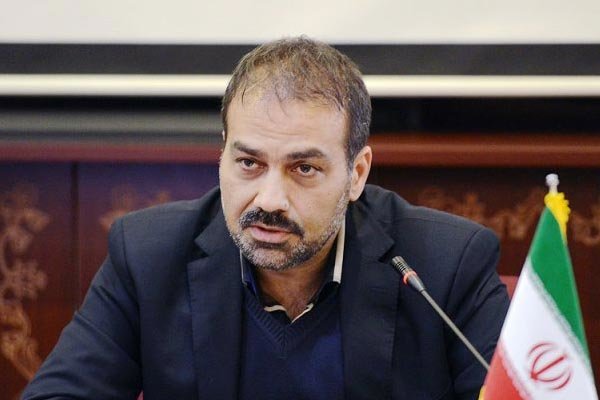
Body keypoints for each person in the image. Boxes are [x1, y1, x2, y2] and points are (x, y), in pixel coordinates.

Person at [23, 37, 509, 400]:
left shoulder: (446, 266)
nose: (270, 199)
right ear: (222, 156)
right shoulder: (148, 256)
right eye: (249, 163)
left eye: (304, 169)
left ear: (356, 174)